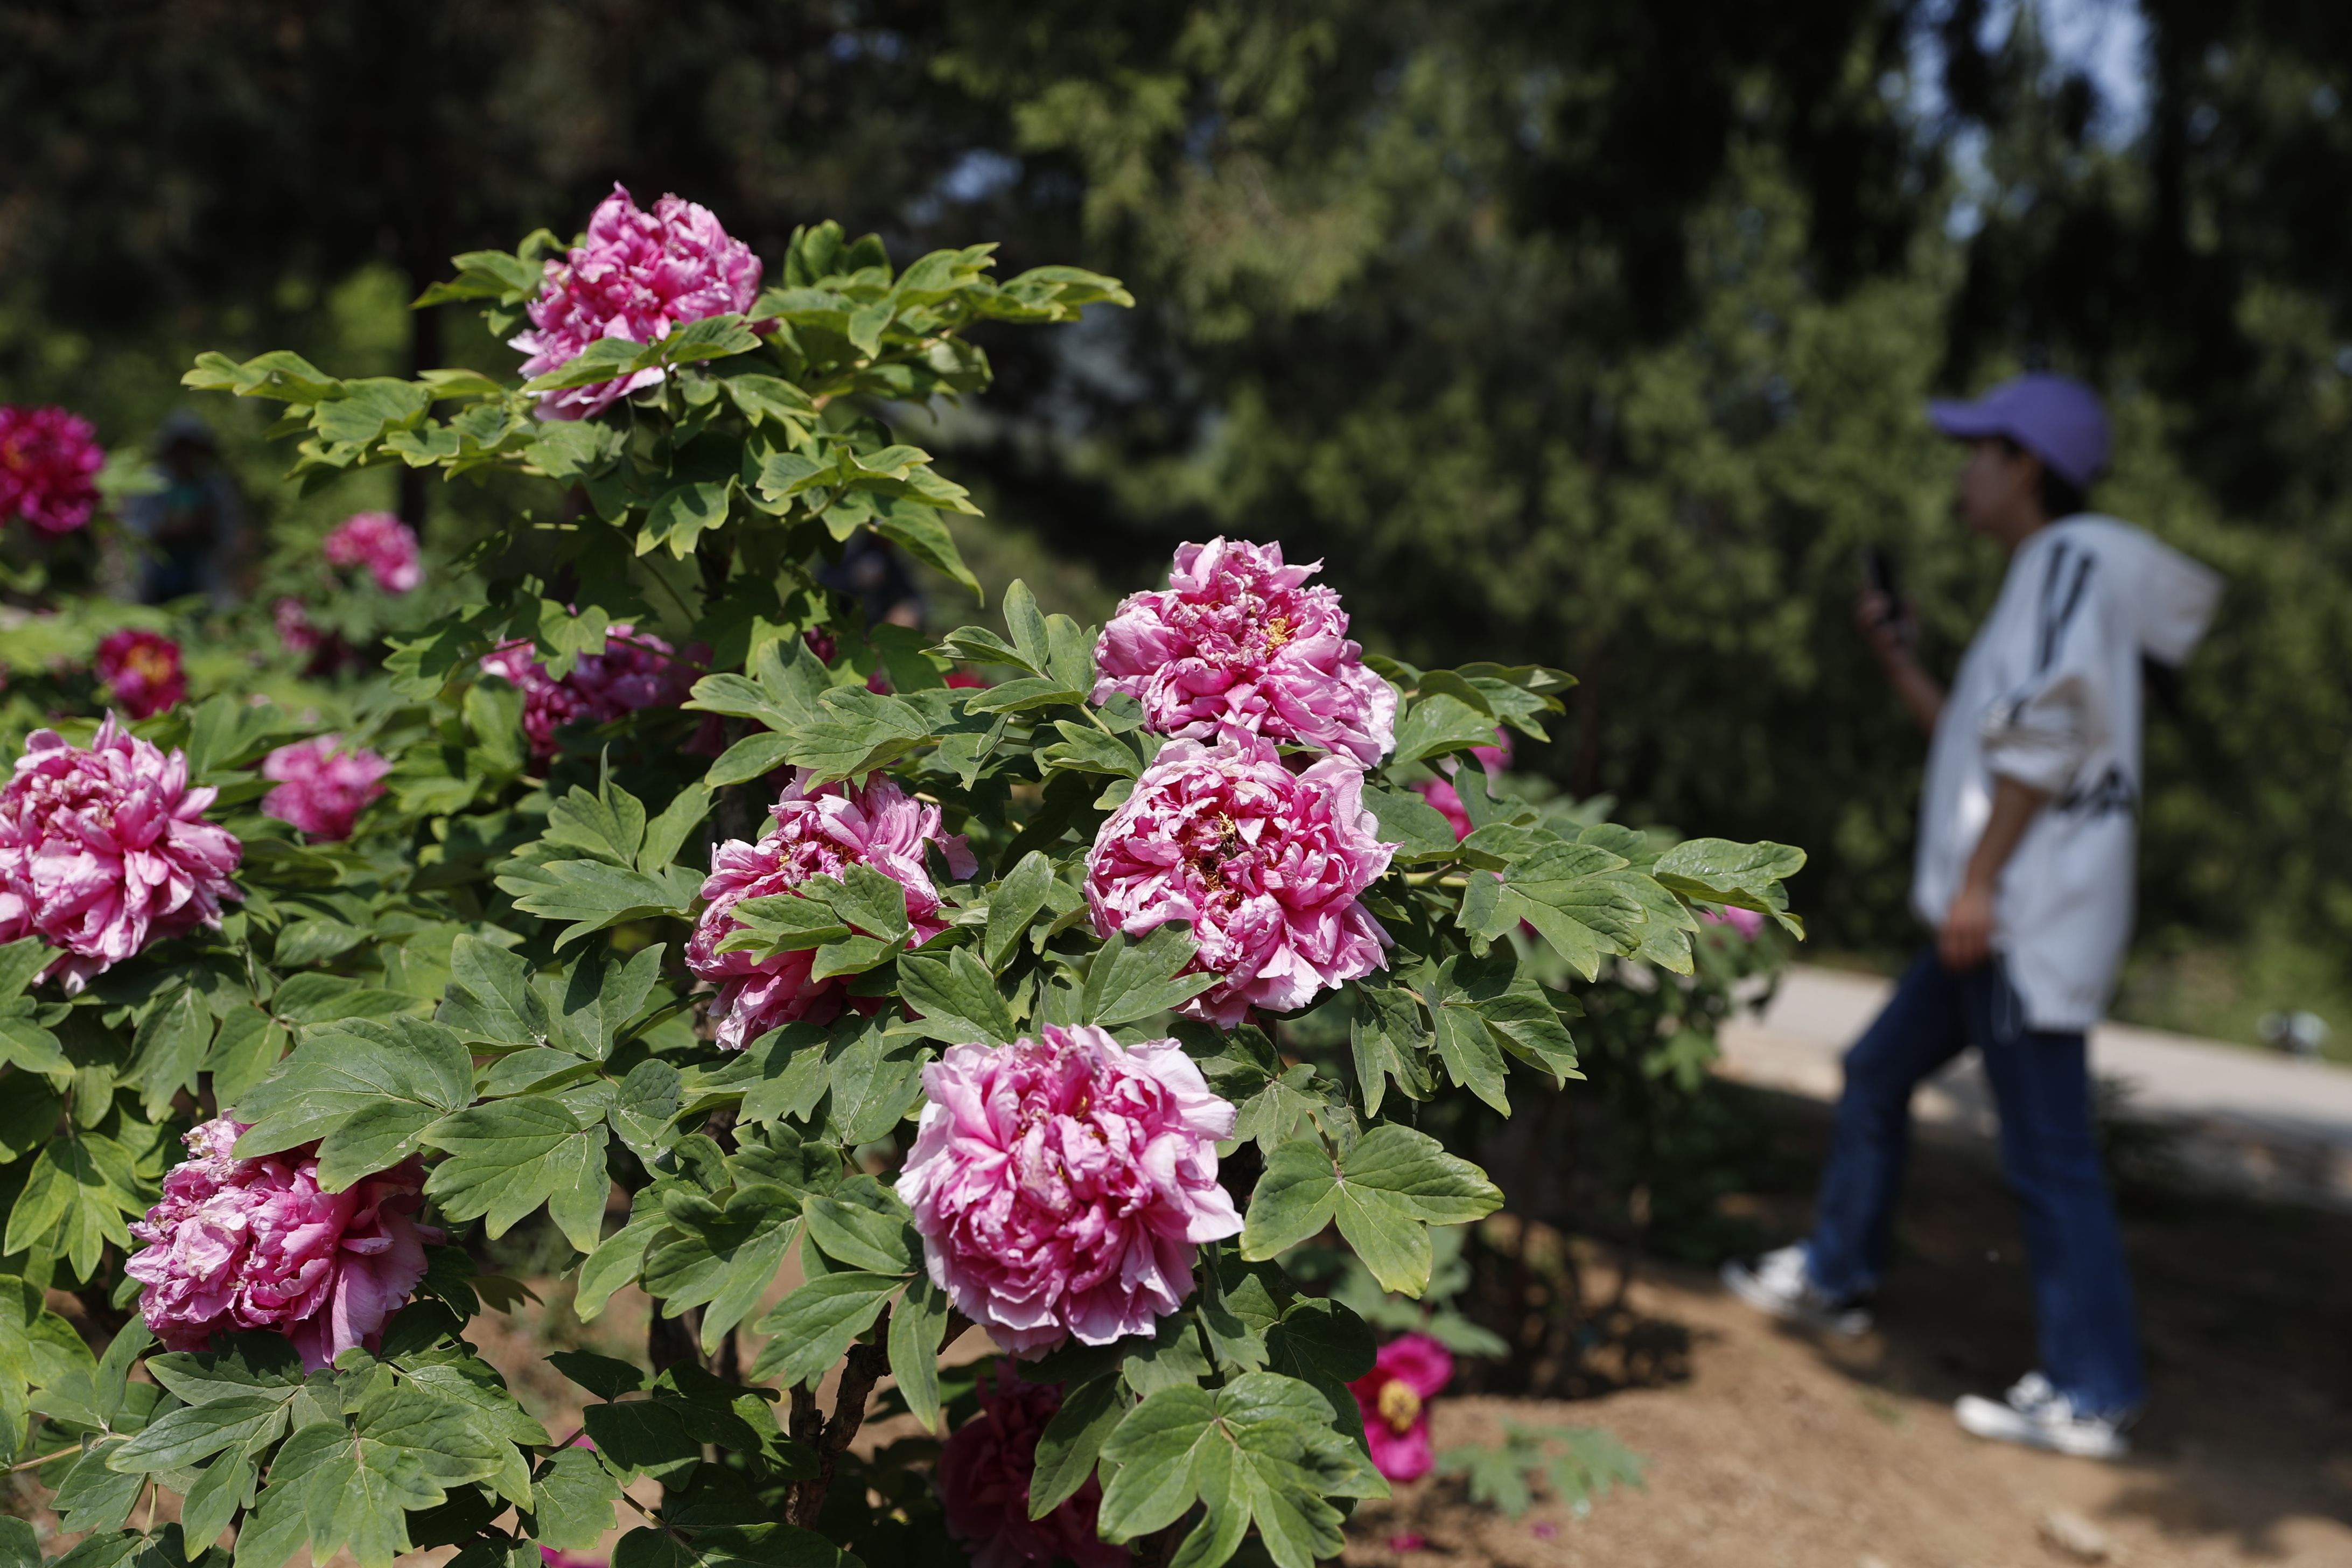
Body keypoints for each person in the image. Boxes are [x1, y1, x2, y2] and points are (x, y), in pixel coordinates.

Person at [1721, 374, 2222, 1459]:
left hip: (2017, 921)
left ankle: (2093, 1387)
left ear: (2026, 466)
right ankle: (1837, 1273)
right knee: (1875, 1073)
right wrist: (1898, 655)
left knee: (2050, 1152)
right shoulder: (2045, 578)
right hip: (1997, 916)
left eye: (1978, 450)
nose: (1964, 470)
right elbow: (1980, 743)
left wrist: (1984, 883)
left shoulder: (2067, 563)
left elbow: (2050, 741)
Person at [122, 412, 244, 607]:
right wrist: (166, 530)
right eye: (180, 447)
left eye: (191, 448)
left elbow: (229, 533)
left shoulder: (215, 487)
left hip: (202, 575)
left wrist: (204, 528)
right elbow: (132, 528)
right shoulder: (149, 482)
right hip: (155, 578)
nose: (185, 455)